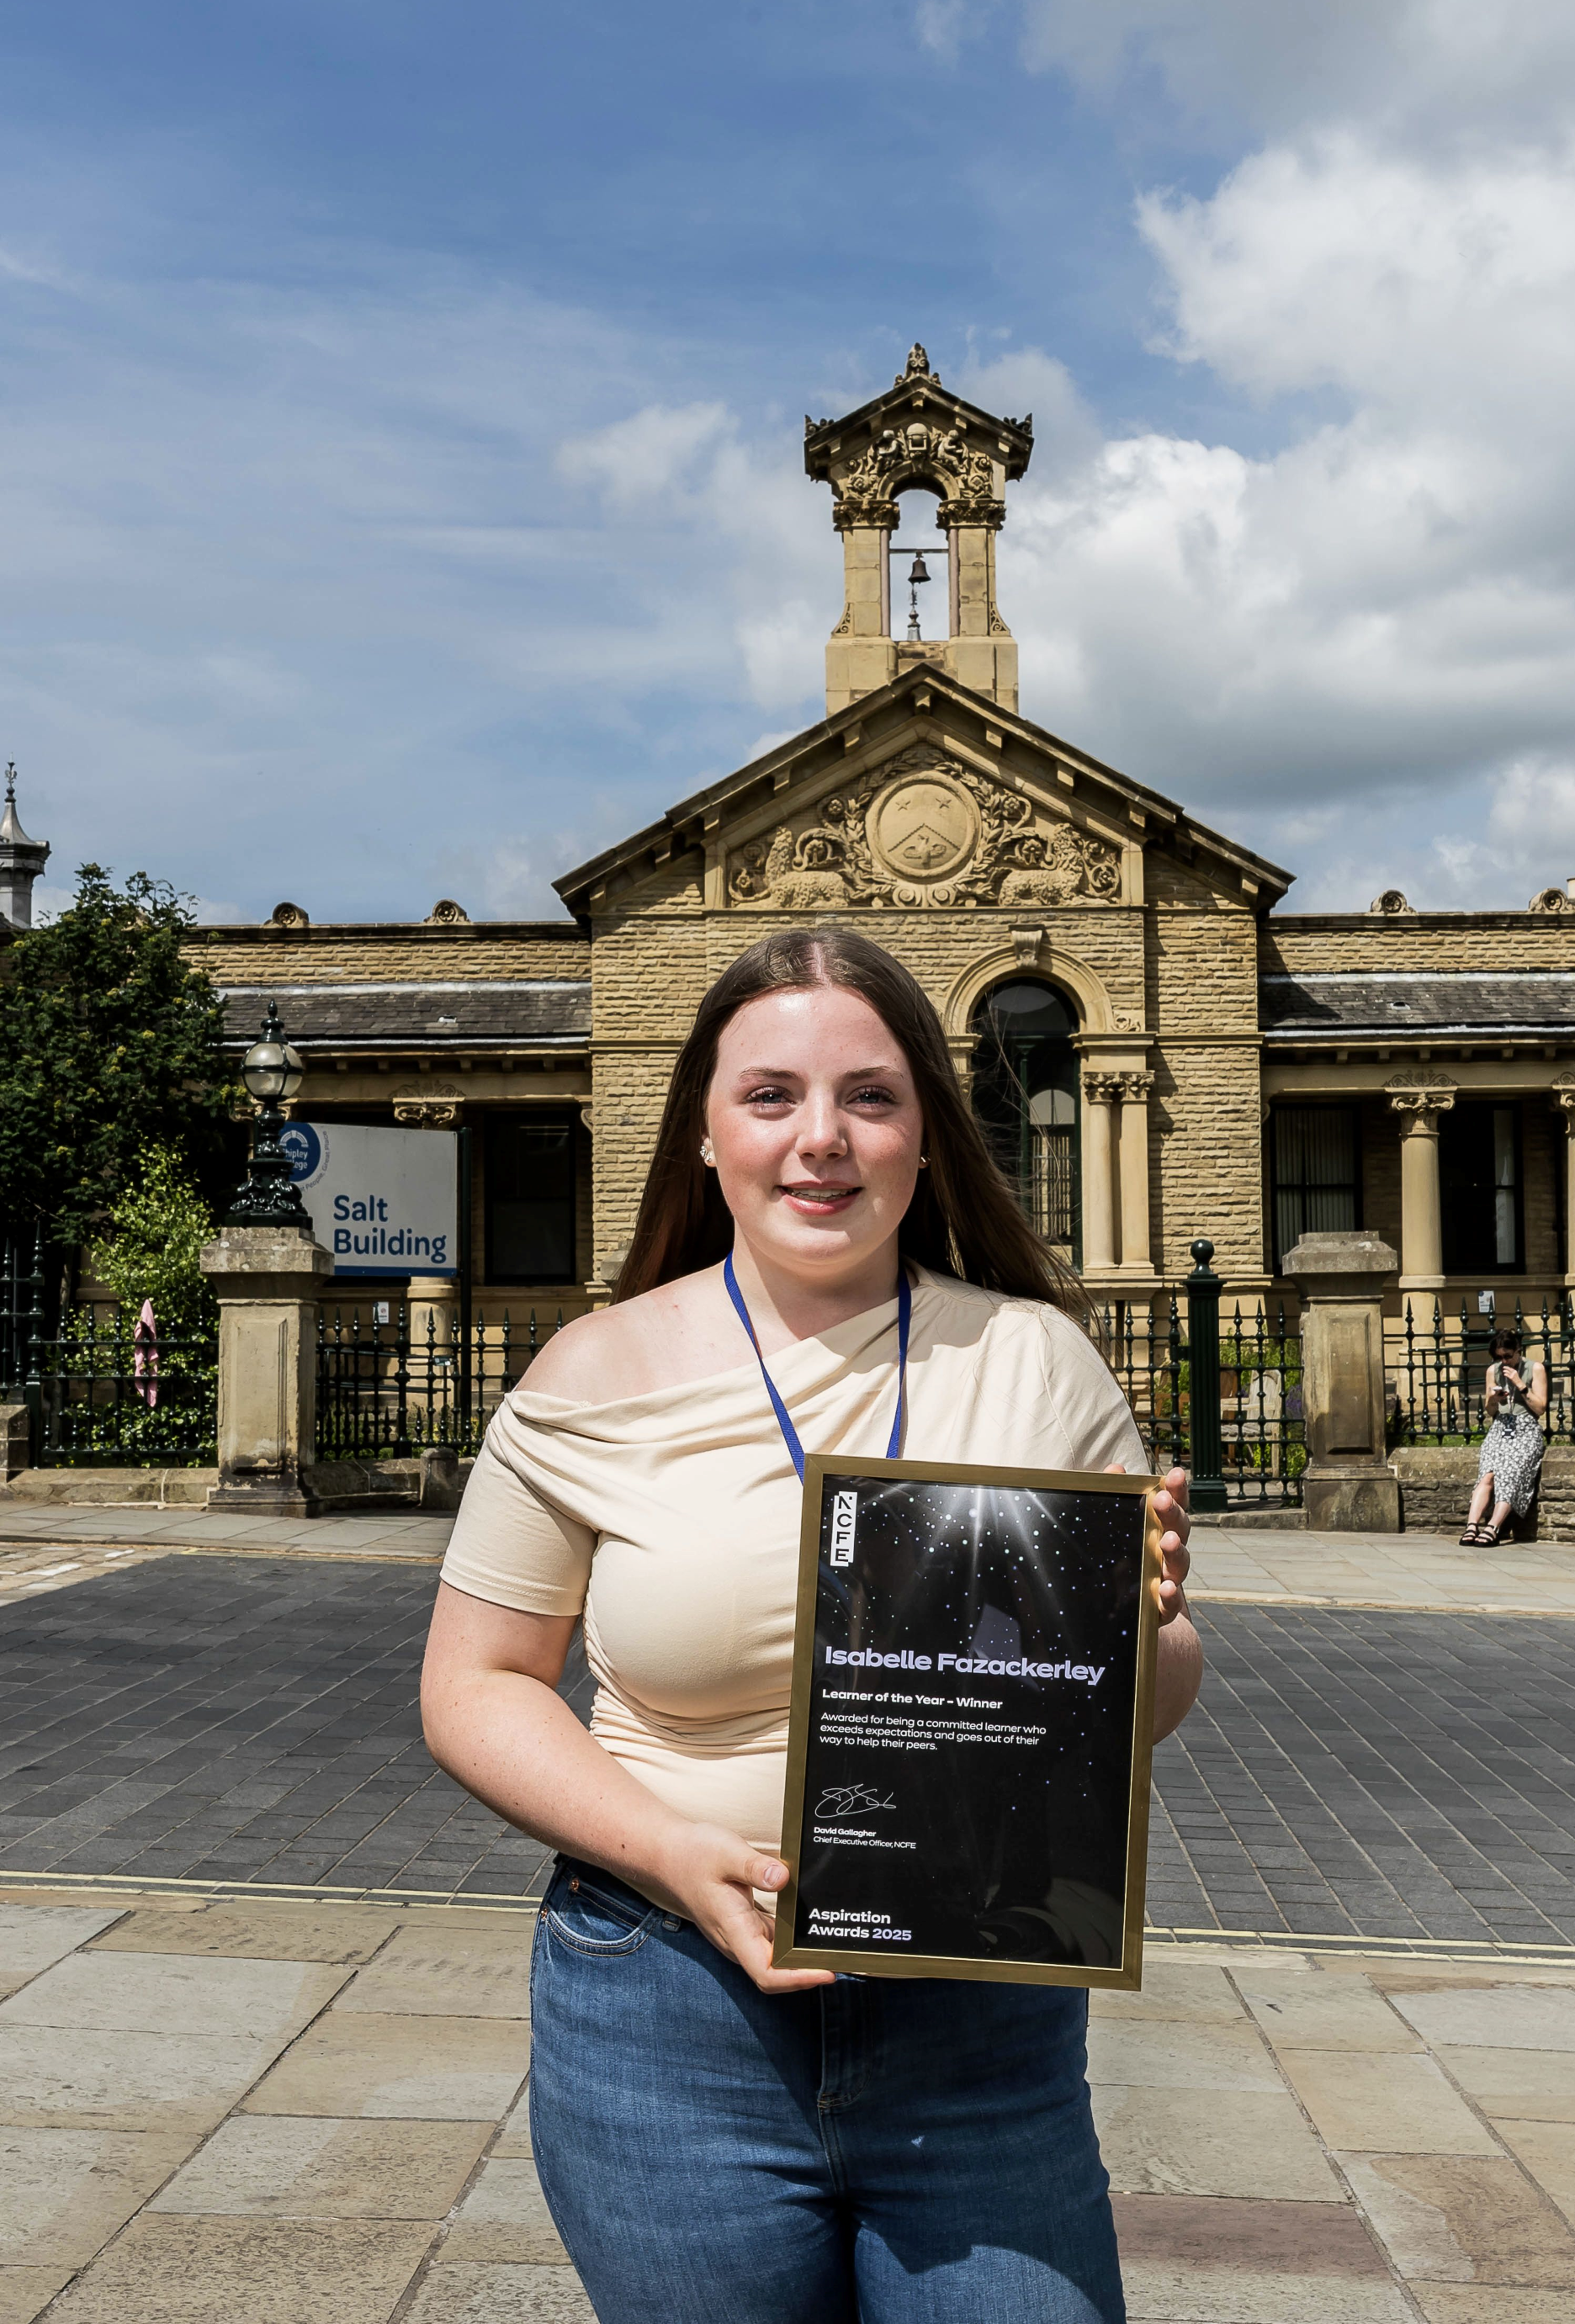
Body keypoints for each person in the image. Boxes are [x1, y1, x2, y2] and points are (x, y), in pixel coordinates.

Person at [420, 927, 1201, 2324]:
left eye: (871, 1097)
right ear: (707, 1135)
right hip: (668, 2008)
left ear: (925, 1136)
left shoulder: (1030, 1357)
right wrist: (672, 1851)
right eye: (771, 1095)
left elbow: (1157, 1690)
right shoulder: (592, 1375)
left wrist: (1146, 1625)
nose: (821, 1140)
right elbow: (473, 1685)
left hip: (975, 2012)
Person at [1460, 1329, 1547, 1546]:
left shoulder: (1535, 1368)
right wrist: (1493, 1399)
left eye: (1508, 1356)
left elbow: (1540, 1409)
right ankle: (1472, 1525)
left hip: (1525, 1430)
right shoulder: (1493, 1371)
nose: (1504, 1361)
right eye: (1499, 1357)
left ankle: (1493, 1527)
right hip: (1500, 1429)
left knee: (1510, 1474)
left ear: (1519, 1350)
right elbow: (1490, 1412)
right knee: (1487, 1475)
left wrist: (1520, 1384)